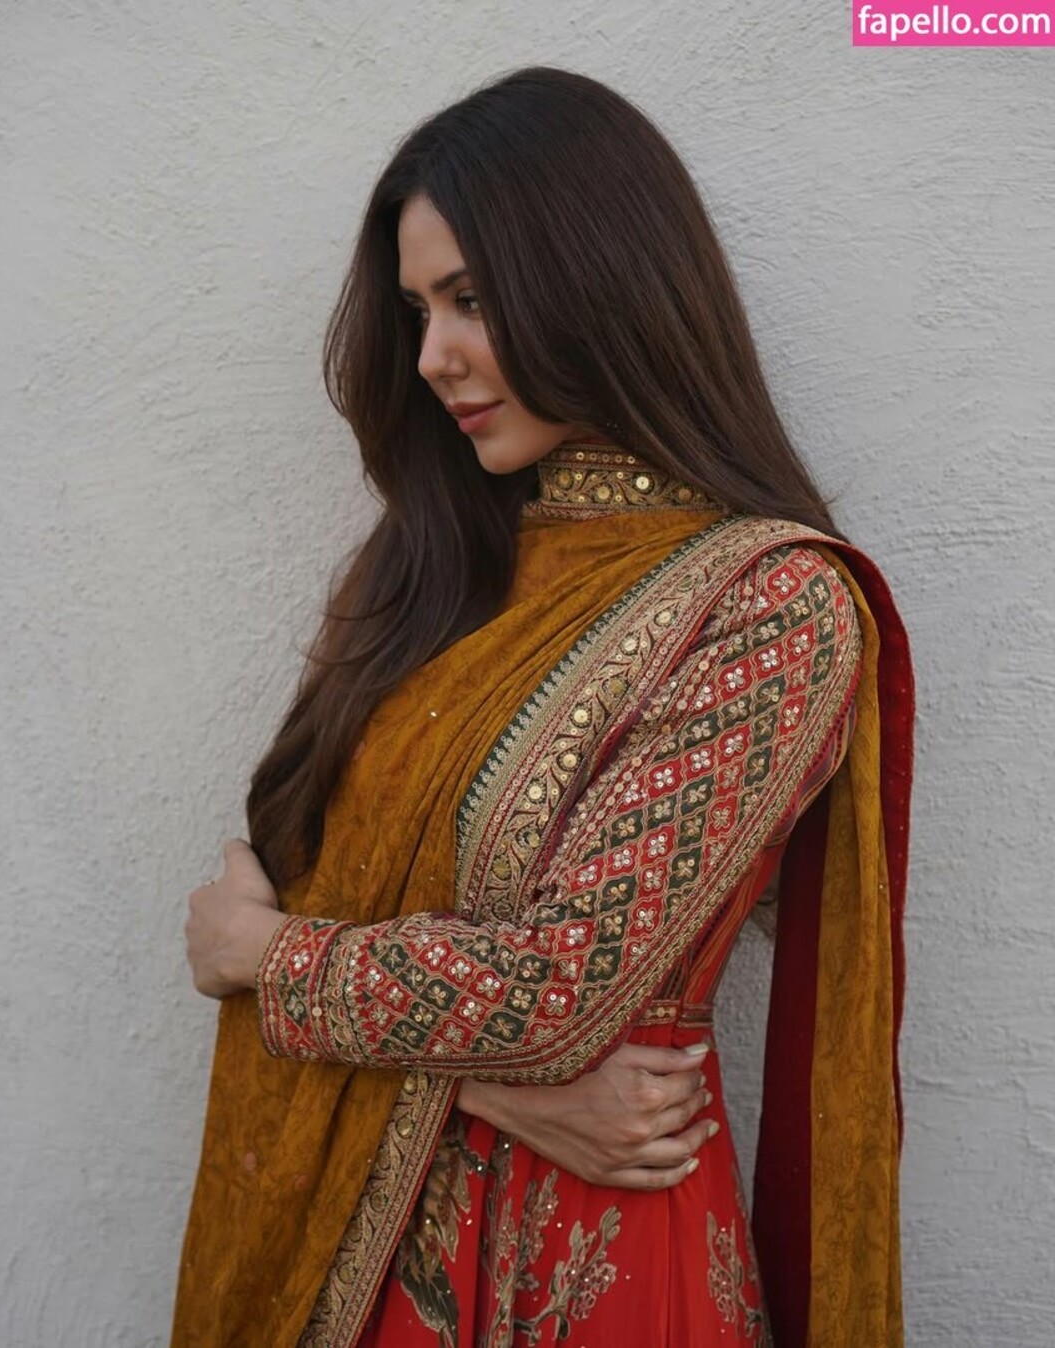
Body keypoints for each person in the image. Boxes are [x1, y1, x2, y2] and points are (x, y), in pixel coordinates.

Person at [172, 66, 913, 1348]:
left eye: (471, 299)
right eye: (418, 310)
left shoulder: (770, 604)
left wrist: (266, 960)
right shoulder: (431, 571)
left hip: (596, 1255)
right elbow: (315, 876)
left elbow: (564, 983)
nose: (432, 357)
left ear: (599, 278)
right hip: (355, 1259)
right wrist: (496, 1088)